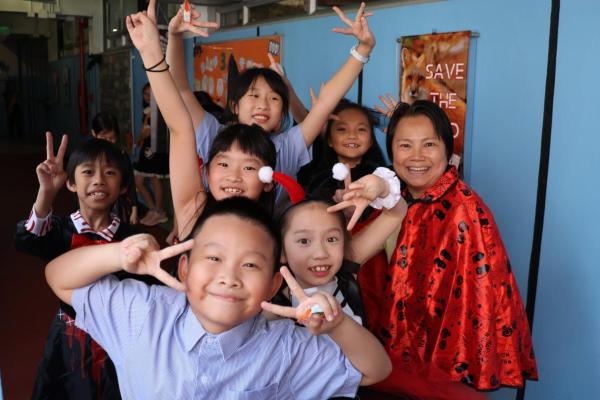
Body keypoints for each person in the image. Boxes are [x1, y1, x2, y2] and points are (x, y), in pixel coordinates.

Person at [45, 197, 393, 399]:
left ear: (273, 284)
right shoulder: (145, 312)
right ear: (184, 269)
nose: (229, 276)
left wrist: (336, 325)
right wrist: (118, 255)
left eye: (250, 264)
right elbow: (59, 279)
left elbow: (376, 370)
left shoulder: (286, 348)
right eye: (213, 257)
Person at [364, 100, 538, 398]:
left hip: (444, 368)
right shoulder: (394, 198)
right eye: (405, 145)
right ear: (391, 151)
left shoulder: (464, 210)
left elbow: (476, 302)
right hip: (397, 361)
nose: (416, 156)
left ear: (448, 150)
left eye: (429, 144)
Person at [165, 1, 376, 209]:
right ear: (235, 106)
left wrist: (363, 49)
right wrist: (174, 36)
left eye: (274, 98)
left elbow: (325, 103)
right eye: (254, 95)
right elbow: (180, 90)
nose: (263, 105)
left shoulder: (288, 147)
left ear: (282, 111)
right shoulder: (212, 135)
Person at [15, 134, 150, 399]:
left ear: (123, 186)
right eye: (88, 172)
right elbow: (26, 240)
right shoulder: (59, 230)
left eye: (110, 173)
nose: (99, 180)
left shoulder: (133, 238)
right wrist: (45, 194)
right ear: (71, 183)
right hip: (68, 342)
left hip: (117, 341)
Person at [275, 169, 407, 325]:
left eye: (331, 239)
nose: (320, 254)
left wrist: (383, 186)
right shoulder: (275, 307)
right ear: (281, 251)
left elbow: (395, 214)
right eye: (304, 241)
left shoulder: (347, 264)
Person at [91, 111, 139, 225]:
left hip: (118, 208)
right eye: (103, 138)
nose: (108, 142)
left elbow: (130, 183)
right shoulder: (87, 157)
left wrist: (134, 210)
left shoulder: (121, 156)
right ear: (94, 133)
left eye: (112, 138)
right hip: (93, 206)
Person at [134, 83, 170, 226]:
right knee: (139, 181)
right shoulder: (148, 110)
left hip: (155, 149)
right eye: (146, 94)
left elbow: (148, 132)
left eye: (151, 94)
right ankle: (153, 209)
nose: (148, 97)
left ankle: (159, 212)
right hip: (147, 149)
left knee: (155, 180)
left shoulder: (158, 110)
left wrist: (137, 140)